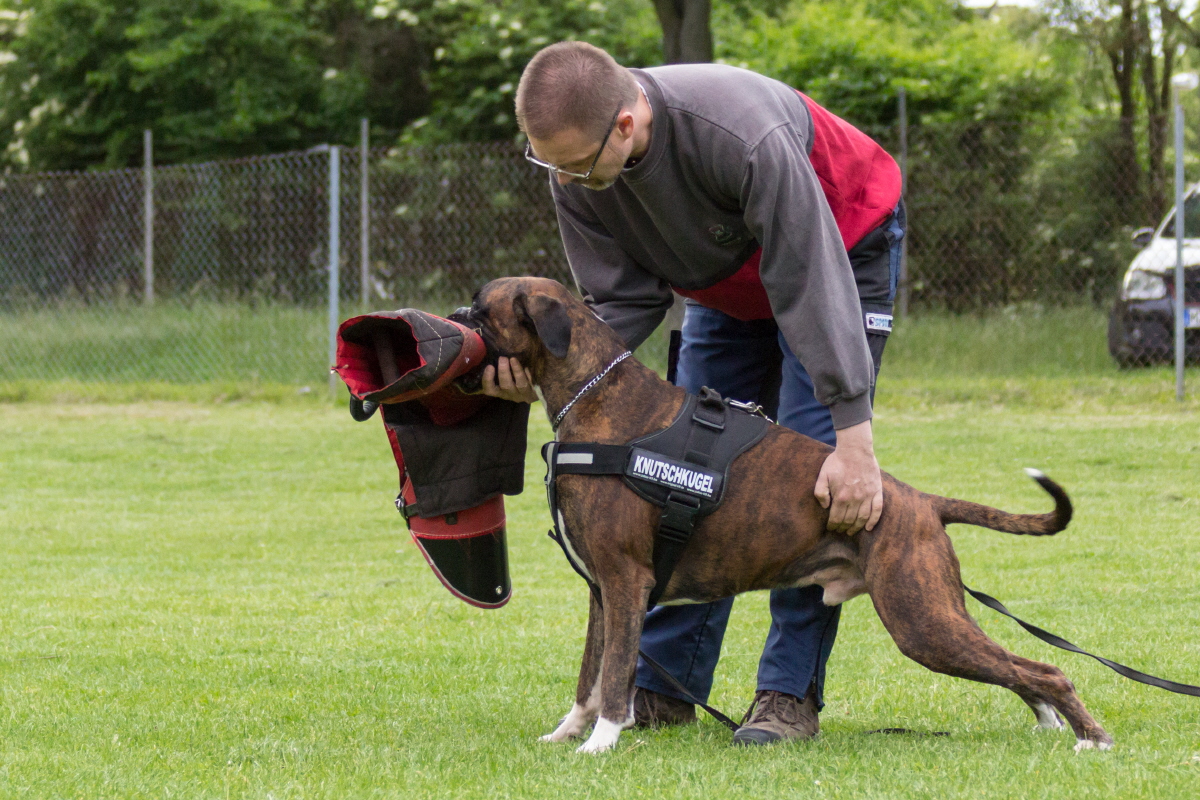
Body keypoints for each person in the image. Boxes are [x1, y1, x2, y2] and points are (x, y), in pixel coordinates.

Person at [484, 41, 904, 746]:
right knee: (678, 471)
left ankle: (787, 696)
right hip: (721, 282)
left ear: (625, 124)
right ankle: (664, 686)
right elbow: (622, 301)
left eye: (575, 165)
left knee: (809, 481)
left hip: (841, 246)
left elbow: (807, 280)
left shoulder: (740, 135)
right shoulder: (575, 167)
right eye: (547, 162)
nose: (563, 179)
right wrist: (543, 371)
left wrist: (853, 440)